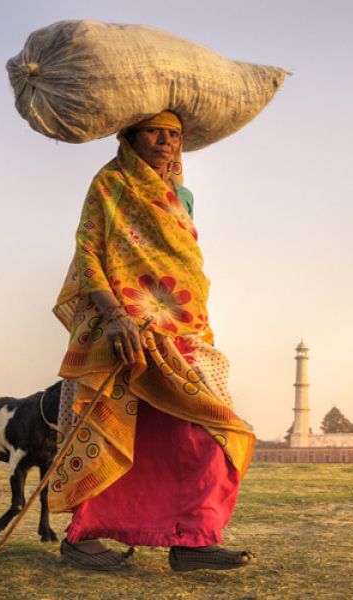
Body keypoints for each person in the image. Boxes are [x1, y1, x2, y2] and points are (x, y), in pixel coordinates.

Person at [50, 111, 256, 571]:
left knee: (205, 431)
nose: (165, 142)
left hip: (181, 328)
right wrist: (117, 315)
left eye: (173, 135)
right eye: (154, 132)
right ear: (129, 137)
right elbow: (89, 251)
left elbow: (179, 258)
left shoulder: (183, 196)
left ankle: (192, 540)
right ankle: (81, 539)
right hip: (122, 326)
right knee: (110, 427)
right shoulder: (108, 186)